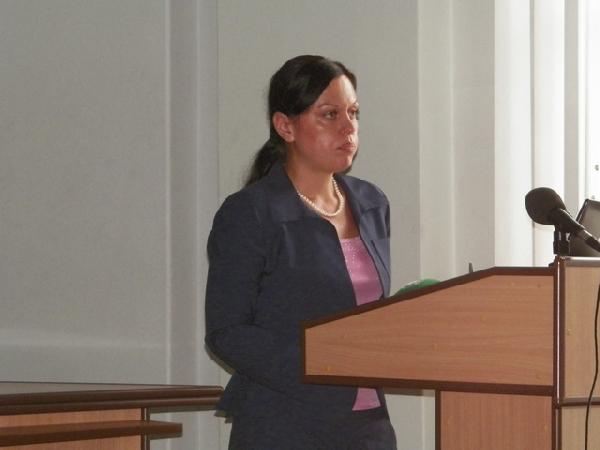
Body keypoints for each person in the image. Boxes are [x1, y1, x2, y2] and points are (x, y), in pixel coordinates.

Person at [205, 55, 397, 450]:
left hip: (368, 426)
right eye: (330, 115)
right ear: (285, 126)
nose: (348, 127)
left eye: (354, 113)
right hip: (284, 423)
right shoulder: (251, 213)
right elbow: (227, 331)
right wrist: (323, 362)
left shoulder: (371, 203)